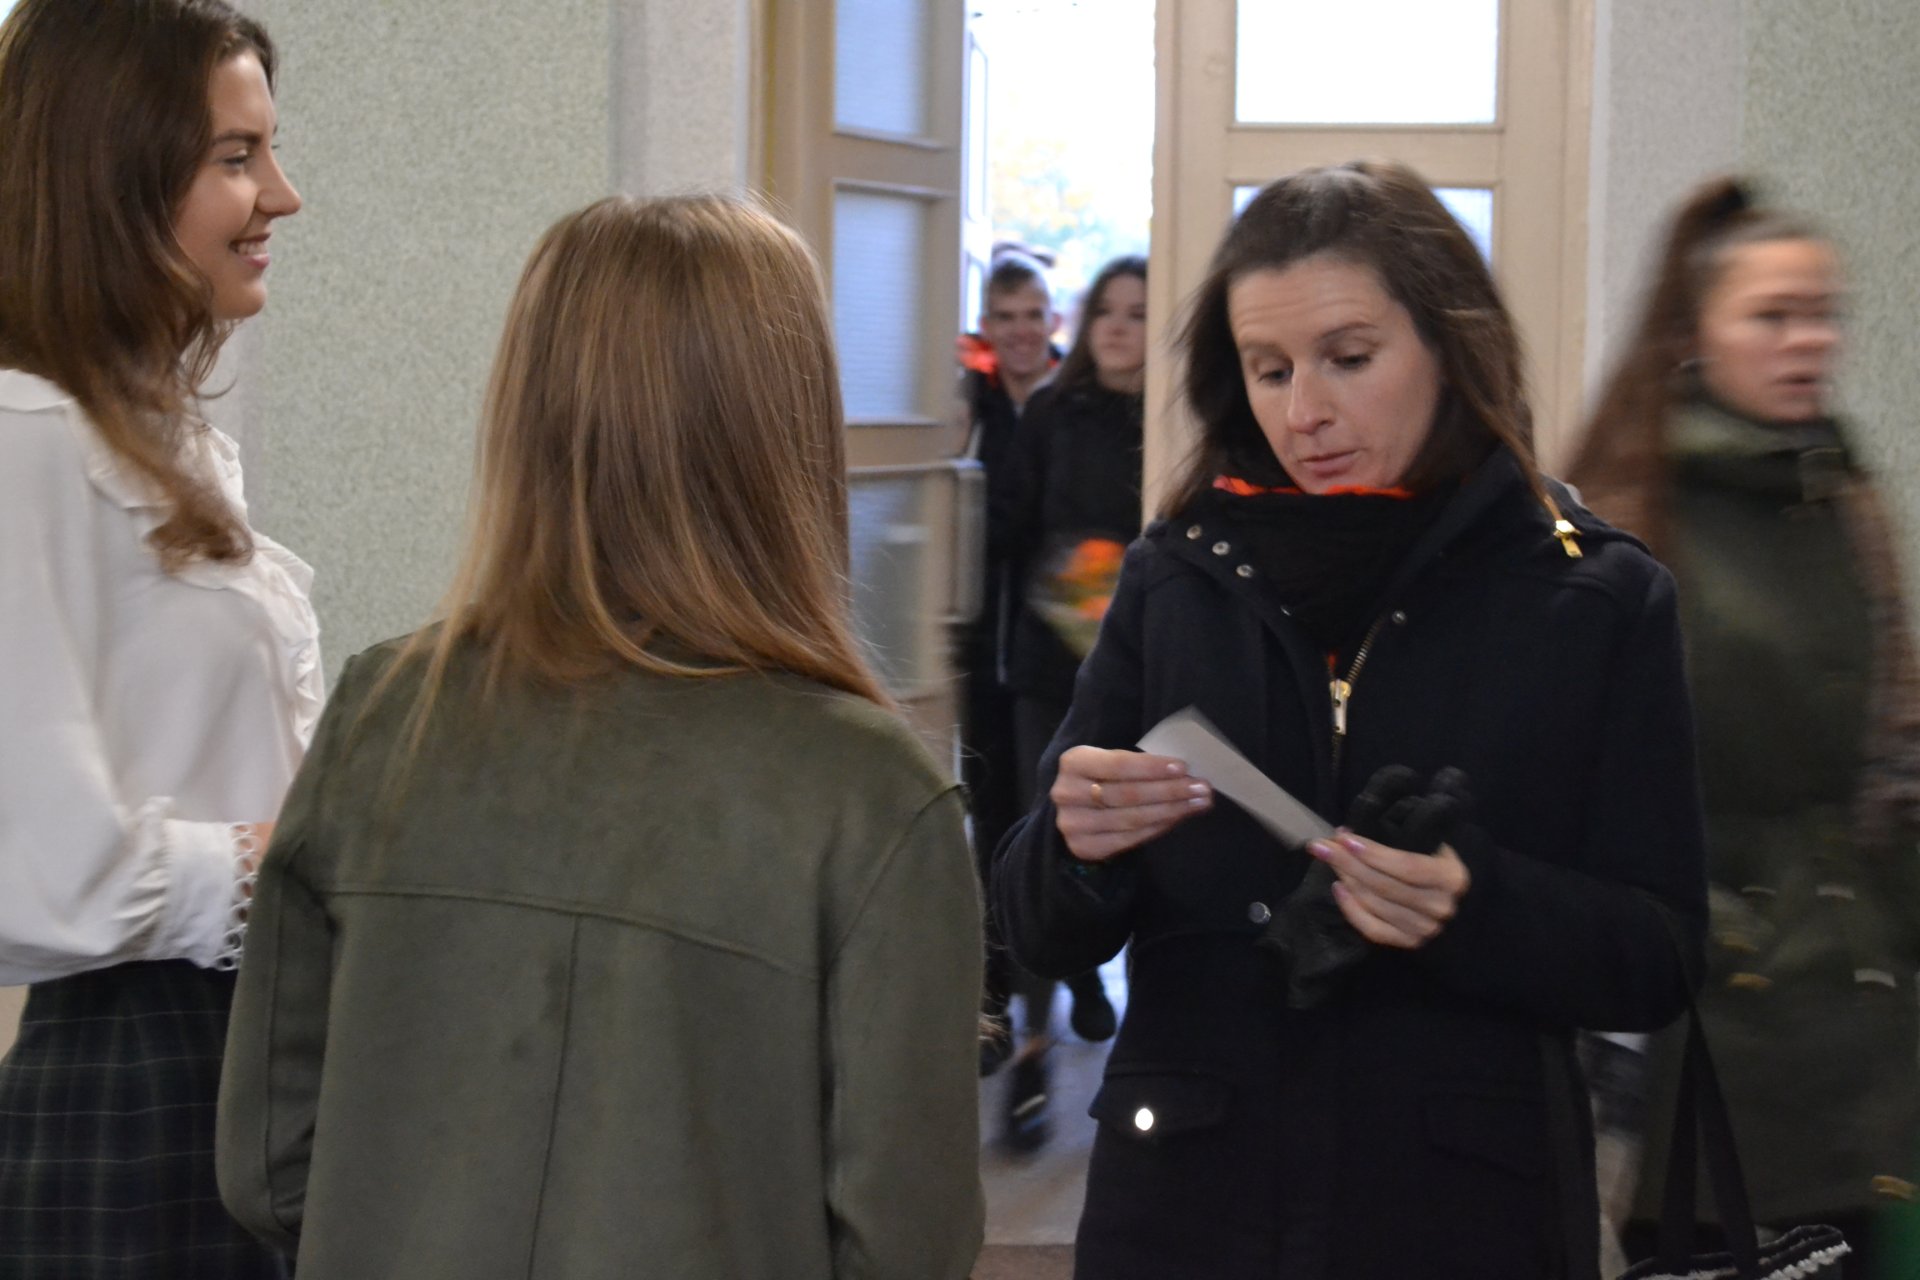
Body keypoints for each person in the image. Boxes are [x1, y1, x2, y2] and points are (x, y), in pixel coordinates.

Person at [215, 195, 986, 1280]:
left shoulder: (383, 715)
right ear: (793, 428)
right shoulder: (875, 798)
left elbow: (266, 1163)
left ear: (526, 413)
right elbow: (905, 1242)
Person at [993, 161, 1707, 1279]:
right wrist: (1076, 847)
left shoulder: (1596, 597)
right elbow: (1035, 926)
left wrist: (1476, 904)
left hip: (1461, 1215)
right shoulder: (1174, 578)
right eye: (1269, 369)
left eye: (1349, 358)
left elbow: (1658, 955)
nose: (1304, 412)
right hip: (1187, 1211)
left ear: (1450, 346)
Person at [0, 2, 310, 1275]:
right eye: (237, 158)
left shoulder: (154, 437)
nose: (282, 195)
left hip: (231, 1052)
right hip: (136, 1071)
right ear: (111, 178)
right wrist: (290, 858)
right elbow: (31, 871)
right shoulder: (24, 440)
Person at [1568, 177, 1920, 1280]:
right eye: (1772, 316)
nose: (1808, 341)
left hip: (1851, 1005)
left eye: (1822, 315)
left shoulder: (1841, 497)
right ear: (1696, 332)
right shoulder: (1636, 509)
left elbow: (1886, 754)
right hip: (1706, 1026)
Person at [994, 253, 1147, 1151]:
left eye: (1138, 312)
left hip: (1138, 673)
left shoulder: (1179, 417)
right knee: (1040, 839)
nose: (1119, 327)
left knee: (1138, 844)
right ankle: (1033, 1054)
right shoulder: (1052, 412)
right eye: (1108, 312)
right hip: (1049, 668)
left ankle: (1137, 1049)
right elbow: (1009, 530)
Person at [957, 250, 1059, 1076]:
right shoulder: (968, 407)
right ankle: (993, 997)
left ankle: (1060, 981)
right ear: (987, 327)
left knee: (1048, 812)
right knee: (989, 818)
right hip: (978, 650)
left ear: (1053, 322)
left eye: (1034, 316)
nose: (1021, 332)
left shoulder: (1076, 403)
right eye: (1006, 318)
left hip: (1057, 658)